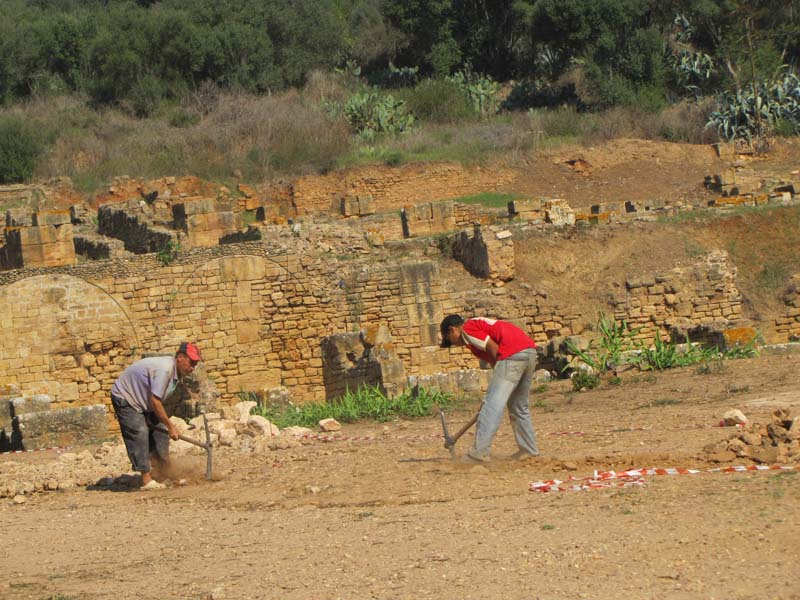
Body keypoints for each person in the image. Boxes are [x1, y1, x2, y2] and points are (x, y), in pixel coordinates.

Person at [440, 314, 539, 462]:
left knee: (491, 406)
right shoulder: (476, 330)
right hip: (529, 352)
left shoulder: (468, 329)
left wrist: (495, 391)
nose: (453, 344)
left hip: (511, 354)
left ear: (452, 330)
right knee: (518, 406)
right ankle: (528, 450)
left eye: (449, 340)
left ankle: (478, 454)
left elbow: (493, 347)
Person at [110, 342, 202, 489]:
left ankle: (163, 472)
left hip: (143, 400)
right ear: (180, 357)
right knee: (139, 431)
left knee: (160, 433)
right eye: (191, 362)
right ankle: (146, 479)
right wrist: (171, 426)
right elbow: (156, 401)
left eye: (195, 364)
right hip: (125, 397)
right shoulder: (165, 370)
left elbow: (155, 401)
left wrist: (166, 426)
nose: (192, 368)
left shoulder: (176, 373)